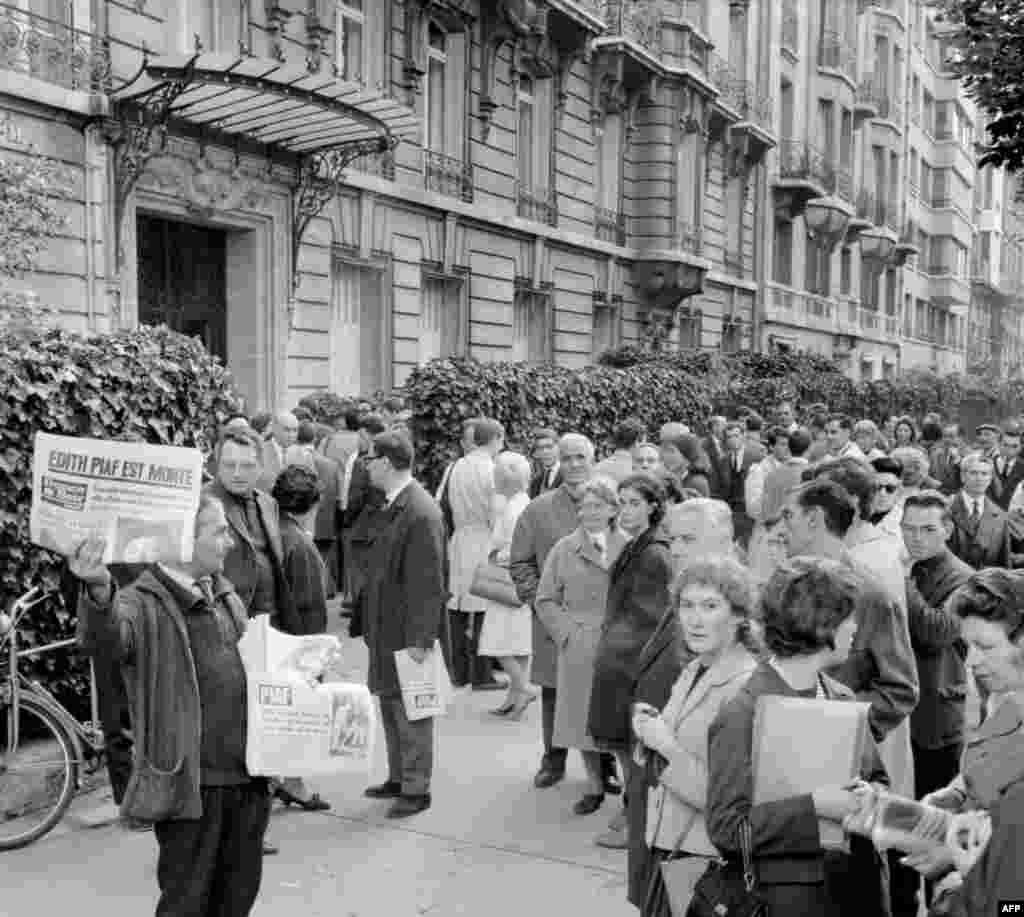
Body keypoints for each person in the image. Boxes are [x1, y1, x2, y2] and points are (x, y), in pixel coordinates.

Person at [71, 497, 272, 916]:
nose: (229, 543)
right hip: (190, 789)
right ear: (183, 540)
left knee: (236, 901)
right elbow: (104, 640)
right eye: (219, 532)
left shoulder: (223, 592)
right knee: (186, 904)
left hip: (248, 780)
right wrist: (97, 589)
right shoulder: (140, 602)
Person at [705, 557, 890, 917]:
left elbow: (877, 778)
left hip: (853, 890)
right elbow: (728, 829)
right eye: (848, 617)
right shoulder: (743, 713)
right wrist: (814, 807)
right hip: (786, 902)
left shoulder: (841, 696)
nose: (855, 627)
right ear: (822, 625)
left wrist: (872, 795)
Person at [625, 499, 736, 911]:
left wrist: (664, 743)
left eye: (689, 540)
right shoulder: (690, 594)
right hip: (662, 800)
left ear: (726, 541)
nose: (676, 550)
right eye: (672, 540)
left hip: (696, 828)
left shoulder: (731, 615)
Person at [633, 557, 759, 917]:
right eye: (686, 605)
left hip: (704, 860)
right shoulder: (695, 668)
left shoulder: (743, 686)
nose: (694, 618)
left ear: (738, 615)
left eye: (710, 606)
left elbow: (728, 803)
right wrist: (649, 733)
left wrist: (665, 744)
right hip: (670, 847)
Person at [903, 569, 1024, 912]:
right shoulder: (1004, 697)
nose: (971, 662)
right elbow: (993, 758)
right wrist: (956, 793)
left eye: (985, 646)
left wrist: (960, 865)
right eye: (968, 646)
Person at [511, 434, 616, 793]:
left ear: (593, 458)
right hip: (553, 622)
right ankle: (553, 762)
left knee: (601, 695)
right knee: (554, 694)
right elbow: (521, 561)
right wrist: (538, 601)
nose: (573, 464)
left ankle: (605, 769)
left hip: (601, 624)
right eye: (567, 457)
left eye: (580, 457)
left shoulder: (613, 505)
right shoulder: (537, 509)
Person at [354, 431, 447, 818]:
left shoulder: (420, 510)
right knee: (392, 705)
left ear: (388, 463)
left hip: (407, 632)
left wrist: (421, 639)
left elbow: (429, 583)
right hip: (387, 626)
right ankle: (399, 777)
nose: (366, 465)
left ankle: (416, 788)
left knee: (412, 712)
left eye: (371, 459)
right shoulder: (398, 503)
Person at [588, 473, 674, 849]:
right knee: (623, 745)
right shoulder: (637, 544)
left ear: (653, 507)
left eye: (634, 502)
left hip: (629, 664)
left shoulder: (654, 552)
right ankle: (631, 811)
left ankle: (635, 818)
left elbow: (648, 618)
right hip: (620, 658)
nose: (624, 510)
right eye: (621, 502)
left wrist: (614, 650)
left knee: (631, 746)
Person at [535, 476, 628, 815]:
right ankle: (594, 785)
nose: (590, 512)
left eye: (598, 506)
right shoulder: (563, 549)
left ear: (613, 510)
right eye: (585, 506)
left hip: (619, 648)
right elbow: (545, 599)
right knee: (582, 723)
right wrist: (567, 635)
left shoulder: (630, 546)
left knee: (619, 723)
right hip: (579, 646)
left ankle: (630, 792)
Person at [899, 491, 973, 911]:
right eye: (908, 529)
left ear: (946, 530)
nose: (916, 538)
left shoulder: (962, 577)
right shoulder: (914, 568)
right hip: (907, 715)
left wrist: (903, 578)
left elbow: (937, 631)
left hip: (936, 718)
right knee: (904, 825)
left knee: (934, 828)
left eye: (927, 529)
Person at [269, 464, 331, 813]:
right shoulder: (299, 545)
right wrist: (316, 657)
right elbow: (310, 605)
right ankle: (293, 783)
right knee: (296, 717)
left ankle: (290, 782)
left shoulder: (274, 532)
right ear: (312, 505)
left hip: (278, 637)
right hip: (297, 642)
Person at [445, 418, 506, 690]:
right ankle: (482, 674)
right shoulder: (492, 469)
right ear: (496, 438)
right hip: (482, 538)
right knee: (484, 607)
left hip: (460, 537)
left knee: (457, 607)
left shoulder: (459, 465)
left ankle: (458, 671)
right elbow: (496, 514)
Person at [478, 451, 538, 718]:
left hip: (506, 580)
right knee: (518, 643)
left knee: (498, 642)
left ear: (508, 476)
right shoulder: (519, 502)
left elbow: (516, 547)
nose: (494, 479)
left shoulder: (516, 507)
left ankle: (523, 688)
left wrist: (494, 555)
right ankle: (514, 698)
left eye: (497, 474)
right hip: (518, 581)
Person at [948, 453, 1013, 569]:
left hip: (986, 584)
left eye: (984, 474)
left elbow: (1005, 564)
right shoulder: (946, 508)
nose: (979, 478)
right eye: (973, 473)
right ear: (962, 476)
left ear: (990, 479)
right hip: (952, 582)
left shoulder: (1000, 516)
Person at [659, 432, 711, 497]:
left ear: (686, 457)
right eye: (666, 451)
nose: (666, 456)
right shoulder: (672, 480)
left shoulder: (697, 483)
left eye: (672, 451)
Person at [595, 418, 646, 484]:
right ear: (637, 442)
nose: (643, 447)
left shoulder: (598, 467)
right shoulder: (640, 473)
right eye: (643, 443)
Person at [258, 411, 299, 491]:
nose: (291, 435)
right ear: (274, 429)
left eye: (295, 430)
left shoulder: (302, 454)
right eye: (286, 430)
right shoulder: (260, 451)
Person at [987, 425, 1024, 511]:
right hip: (988, 516)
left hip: (1014, 518)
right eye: (1005, 445)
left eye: (1014, 446)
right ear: (998, 444)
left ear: (1021, 447)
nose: (1009, 450)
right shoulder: (987, 463)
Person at [529, 427, 562, 498]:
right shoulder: (536, 481)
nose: (545, 452)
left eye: (549, 446)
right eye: (540, 448)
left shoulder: (570, 475)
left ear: (559, 447)